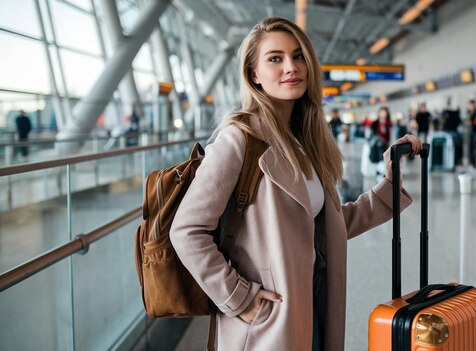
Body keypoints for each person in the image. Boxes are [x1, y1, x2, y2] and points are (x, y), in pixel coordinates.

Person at [169, 17, 421, 351]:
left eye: (299, 56)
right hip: (268, 321)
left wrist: (389, 183)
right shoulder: (240, 140)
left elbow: (325, 227)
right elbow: (186, 231)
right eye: (275, 58)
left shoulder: (303, 140)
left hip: (312, 300)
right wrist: (239, 298)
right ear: (253, 74)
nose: (291, 66)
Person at [467, 100, 476, 169]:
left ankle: (475, 163)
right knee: (470, 148)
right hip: (469, 133)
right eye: (470, 105)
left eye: (473, 105)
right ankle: (471, 163)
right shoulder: (468, 112)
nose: (472, 106)